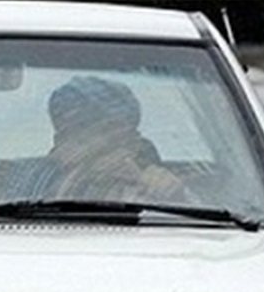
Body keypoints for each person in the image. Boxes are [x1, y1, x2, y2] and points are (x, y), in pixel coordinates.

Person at [44, 75, 191, 203]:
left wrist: (174, 195)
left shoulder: (156, 184)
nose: (60, 150)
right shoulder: (40, 181)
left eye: (83, 128)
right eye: (64, 133)